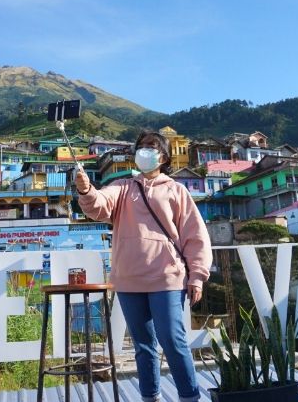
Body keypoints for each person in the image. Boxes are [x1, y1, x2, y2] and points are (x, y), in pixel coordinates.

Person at [75, 131, 212, 402]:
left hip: (167, 277)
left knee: (173, 341)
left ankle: (189, 397)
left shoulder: (176, 190)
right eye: (141, 147)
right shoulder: (123, 186)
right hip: (128, 279)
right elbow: (99, 207)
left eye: (151, 147)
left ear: (163, 156)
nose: (145, 152)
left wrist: (197, 276)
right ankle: (151, 397)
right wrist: (85, 189)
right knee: (143, 346)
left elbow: (194, 235)